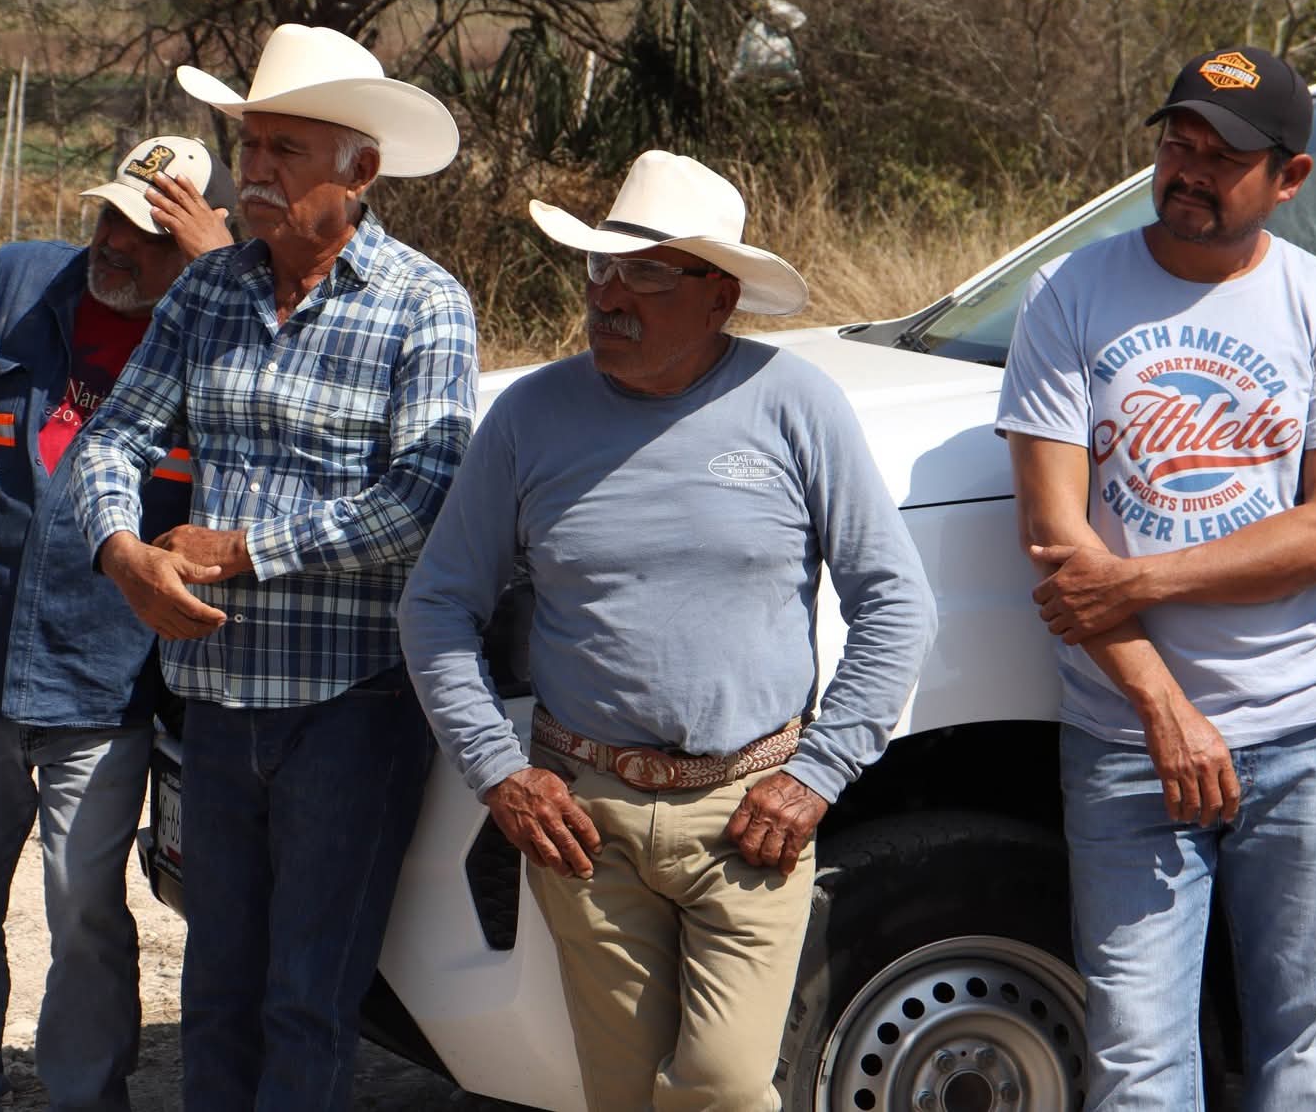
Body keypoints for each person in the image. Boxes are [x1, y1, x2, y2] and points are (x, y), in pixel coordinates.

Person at [398, 151, 936, 1111]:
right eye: (600, 267)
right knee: (618, 1093)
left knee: (722, 1085)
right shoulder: (528, 416)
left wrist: (817, 774)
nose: (608, 295)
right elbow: (437, 603)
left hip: (750, 813)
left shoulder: (794, 402)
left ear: (719, 295)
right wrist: (498, 771)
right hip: (584, 818)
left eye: (645, 273)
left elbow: (897, 601)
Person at [70, 24, 478, 1111]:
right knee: (217, 990)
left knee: (308, 998)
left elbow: (421, 496)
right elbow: (112, 438)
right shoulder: (208, 292)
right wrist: (120, 550)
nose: (253, 171)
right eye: (249, 145)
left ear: (361, 170)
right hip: (215, 703)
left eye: (284, 149)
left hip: (350, 705)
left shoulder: (422, 301)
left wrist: (243, 551)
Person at [997, 46, 1316, 1108]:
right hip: (1128, 741)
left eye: (1223, 157)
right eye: (1178, 143)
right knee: (1135, 1063)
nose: (1190, 171)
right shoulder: (1068, 292)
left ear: (1289, 179)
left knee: (1306, 1055)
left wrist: (1139, 581)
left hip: (1314, 736)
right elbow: (1054, 538)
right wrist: (1164, 710)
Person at [0, 135, 236, 1111]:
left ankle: (85, 1096)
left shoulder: (221, 348)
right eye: (112, 216)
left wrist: (222, 288)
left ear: (200, 245)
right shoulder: (18, 284)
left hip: (105, 684)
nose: (118, 243)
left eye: (153, 233)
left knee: (84, 915)